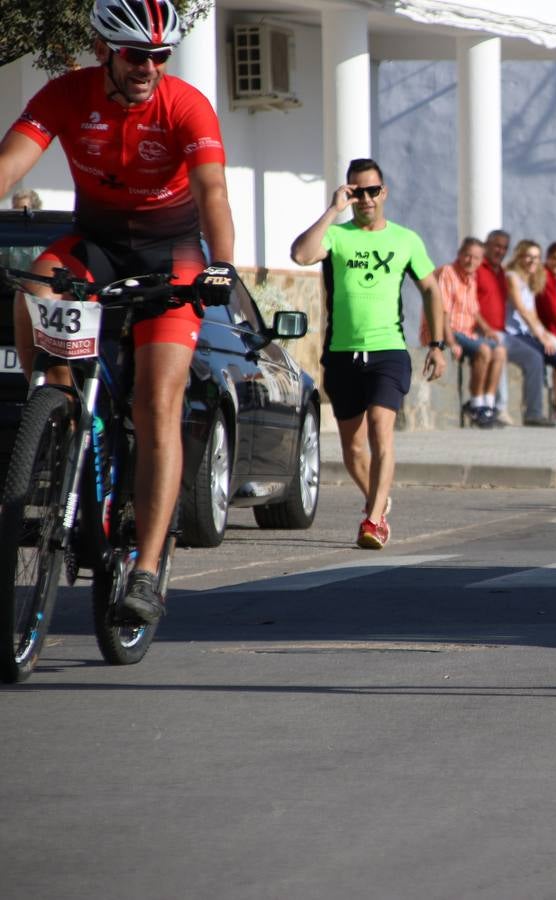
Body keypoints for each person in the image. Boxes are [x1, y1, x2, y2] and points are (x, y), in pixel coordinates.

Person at [0, 0, 238, 625]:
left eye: (160, 57)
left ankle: (148, 569)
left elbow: (213, 190)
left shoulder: (186, 105)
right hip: (97, 242)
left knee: (157, 402)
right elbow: (10, 164)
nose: (149, 68)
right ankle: (54, 413)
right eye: (137, 55)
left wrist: (224, 265)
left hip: (173, 253)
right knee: (37, 290)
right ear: (106, 49)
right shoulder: (66, 94)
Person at [290, 157, 447, 550]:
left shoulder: (406, 239)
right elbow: (300, 255)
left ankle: (374, 521)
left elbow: (431, 289)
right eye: (356, 191)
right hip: (342, 354)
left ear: (384, 192)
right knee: (353, 447)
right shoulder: (337, 237)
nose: (365, 199)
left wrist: (438, 344)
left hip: (388, 352)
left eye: (372, 190)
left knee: (381, 430)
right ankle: (377, 497)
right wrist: (332, 210)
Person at [421, 237, 506, 428]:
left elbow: (474, 310)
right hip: (447, 331)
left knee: (500, 351)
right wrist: (450, 342)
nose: (470, 261)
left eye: (476, 258)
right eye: (467, 255)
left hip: (466, 333)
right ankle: (476, 406)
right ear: (459, 254)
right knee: (484, 350)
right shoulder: (447, 273)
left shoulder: (471, 277)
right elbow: (441, 310)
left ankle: (488, 405)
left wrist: (487, 329)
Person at [503, 240, 556, 425]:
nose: (533, 261)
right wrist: (544, 337)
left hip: (528, 333)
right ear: (519, 256)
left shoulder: (529, 279)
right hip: (514, 333)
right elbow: (524, 311)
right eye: (528, 256)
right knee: (554, 357)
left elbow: (532, 313)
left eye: (536, 257)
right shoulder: (512, 277)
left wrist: (544, 335)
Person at [475, 229, 516, 423]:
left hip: (503, 331)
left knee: (535, 356)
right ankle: (498, 408)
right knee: (500, 351)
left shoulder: (503, 272)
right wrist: (485, 328)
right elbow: (470, 304)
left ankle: (537, 412)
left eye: (504, 248)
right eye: (497, 246)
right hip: (480, 330)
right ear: (487, 245)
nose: (500, 251)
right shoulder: (477, 268)